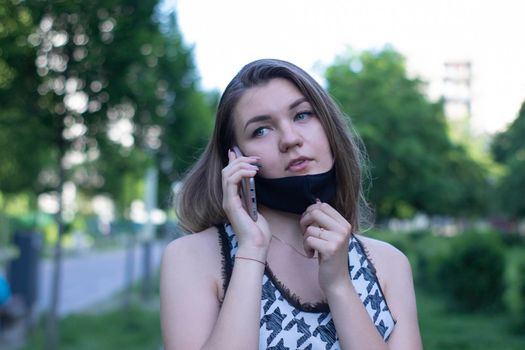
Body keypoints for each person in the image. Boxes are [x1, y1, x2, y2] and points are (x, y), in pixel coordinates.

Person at [160, 59, 422, 350]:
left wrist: (338, 285)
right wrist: (250, 252)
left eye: (302, 115)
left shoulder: (389, 264)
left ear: (329, 127)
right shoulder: (193, 257)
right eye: (261, 130)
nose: (290, 139)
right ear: (235, 157)